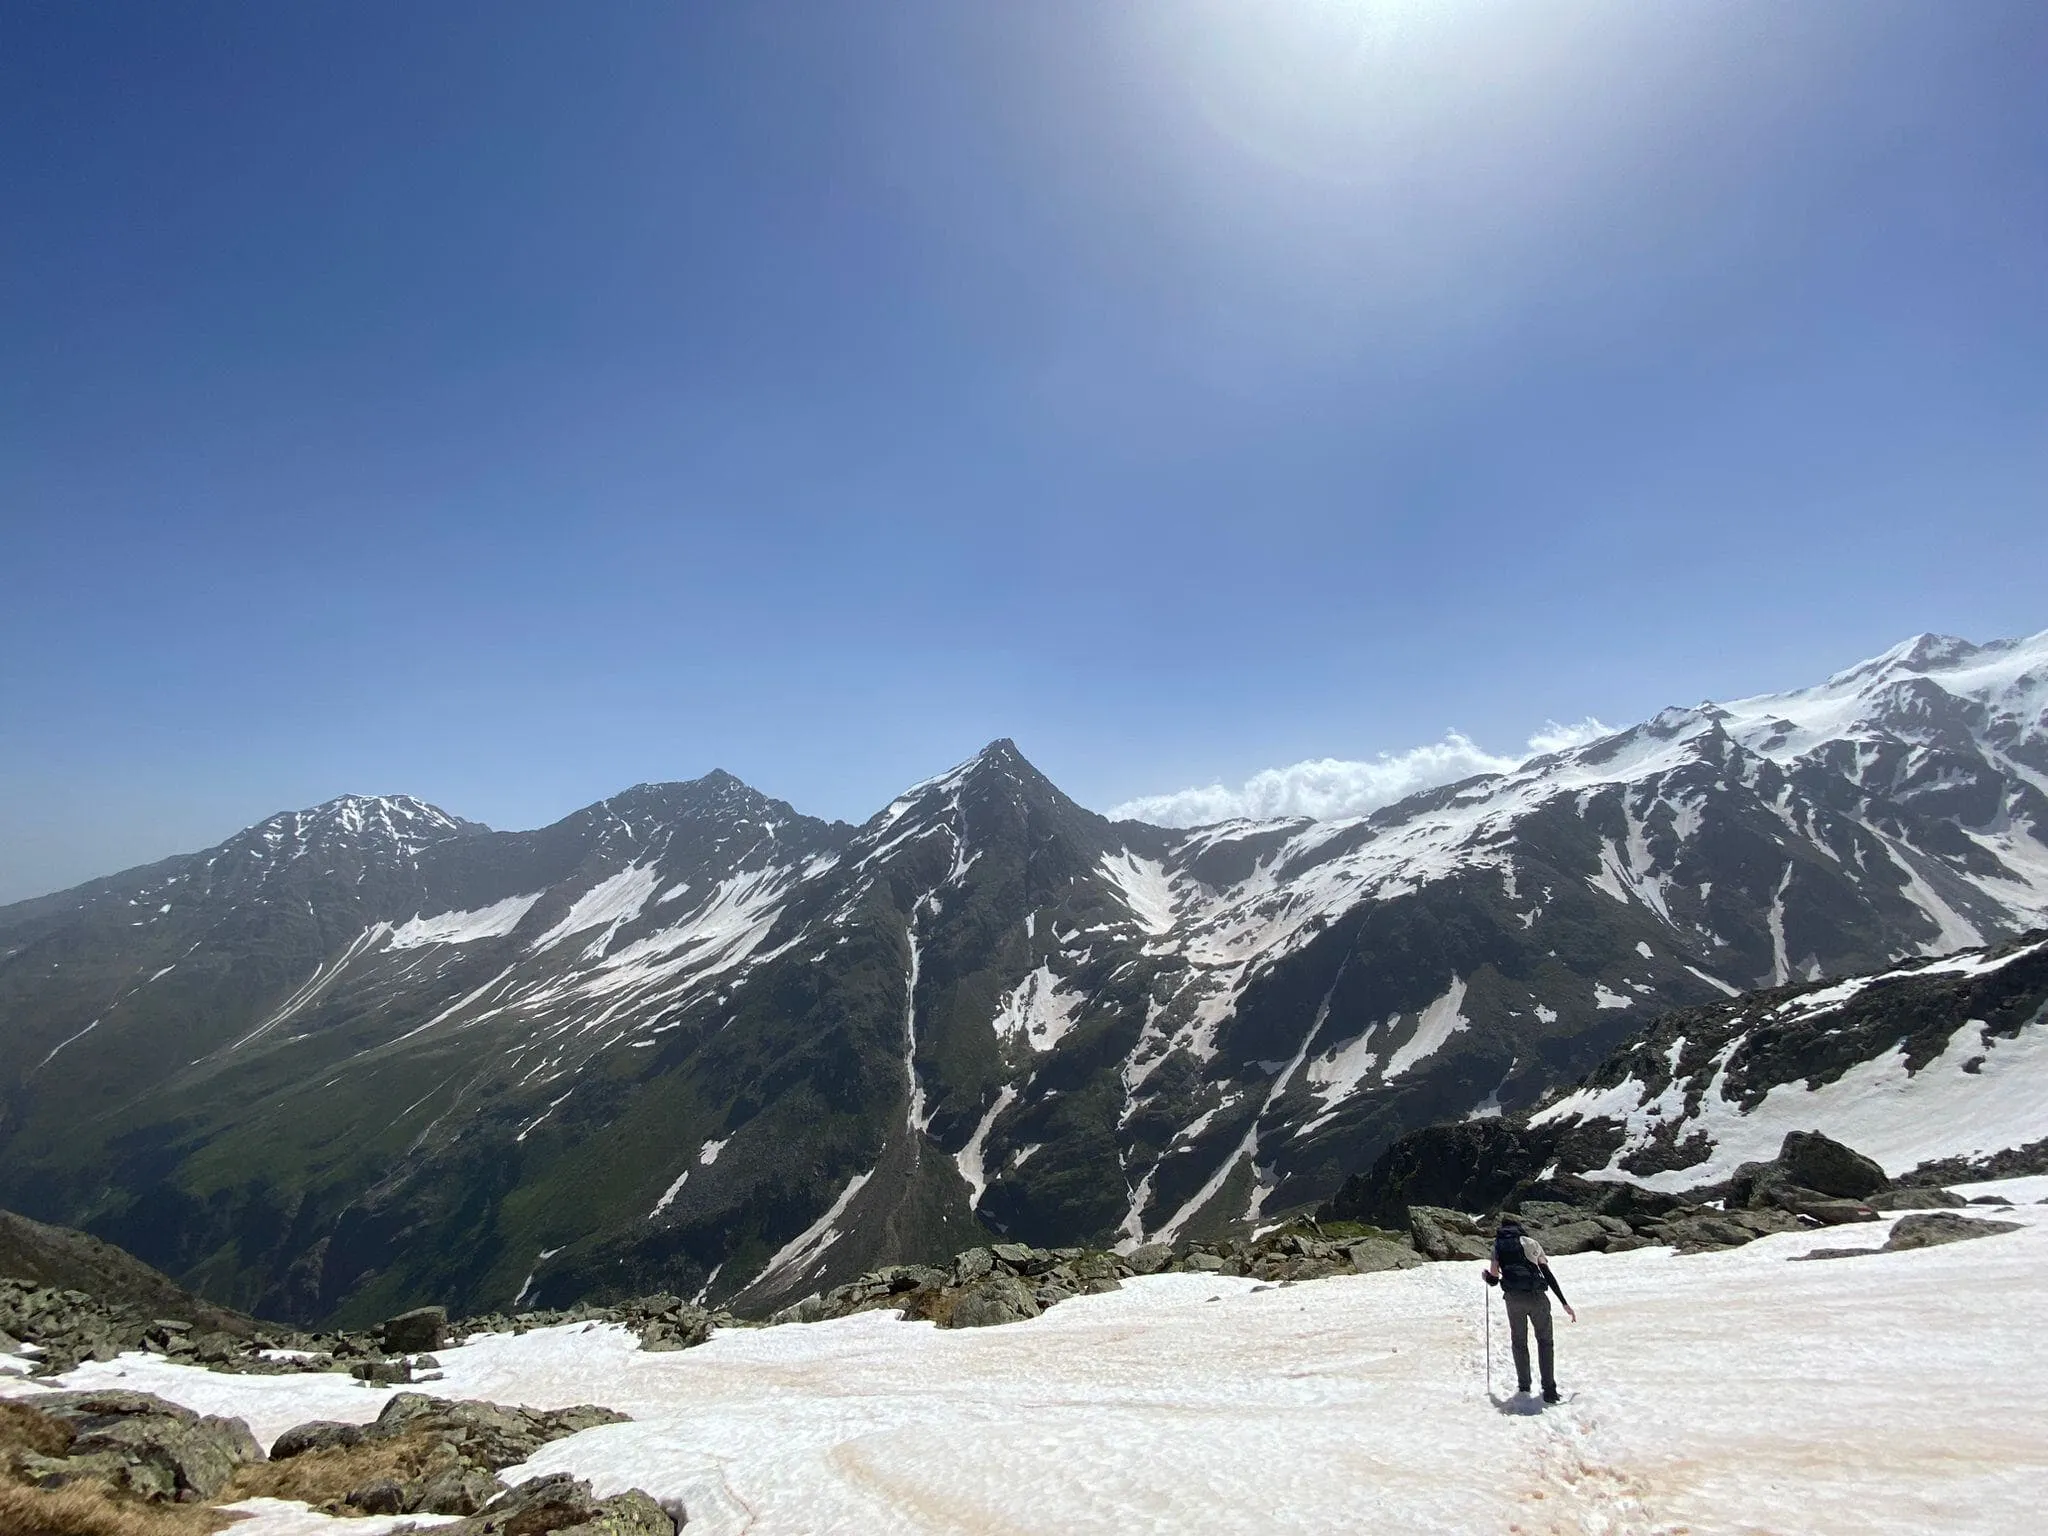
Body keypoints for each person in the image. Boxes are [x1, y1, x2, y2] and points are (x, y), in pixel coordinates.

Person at [1482, 1217, 1577, 1402]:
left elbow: (1493, 1278)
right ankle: (1549, 1389)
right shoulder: (1531, 1242)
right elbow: (1547, 1273)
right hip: (1537, 1297)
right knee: (1545, 1342)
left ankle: (1524, 1386)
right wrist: (1564, 1303)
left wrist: (1486, 1277)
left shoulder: (1498, 1245)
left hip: (1513, 1299)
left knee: (1519, 1342)